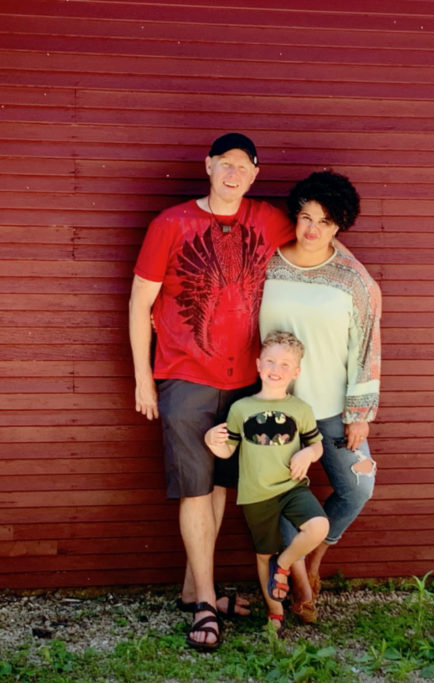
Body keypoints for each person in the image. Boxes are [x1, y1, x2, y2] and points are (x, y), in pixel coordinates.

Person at [128, 133, 296, 651]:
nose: (234, 174)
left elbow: (319, 245)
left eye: (244, 167)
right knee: (195, 488)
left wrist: (360, 280)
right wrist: (144, 378)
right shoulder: (171, 224)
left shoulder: (268, 219)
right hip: (186, 377)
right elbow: (139, 304)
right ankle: (205, 602)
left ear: (254, 174)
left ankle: (190, 589)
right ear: (208, 166)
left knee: (222, 486)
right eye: (226, 164)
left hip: (246, 382)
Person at [259, 170, 381, 624]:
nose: (312, 230)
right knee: (285, 494)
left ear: (339, 227)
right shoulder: (267, 262)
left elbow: (365, 347)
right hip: (276, 409)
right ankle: (300, 585)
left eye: (326, 222)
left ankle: (315, 556)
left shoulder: (353, 280)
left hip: (331, 412)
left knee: (358, 486)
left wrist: (360, 414)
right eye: (306, 217)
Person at [205, 331, 329, 635]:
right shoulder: (241, 408)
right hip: (256, 495)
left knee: (319, 527)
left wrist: (308, 454)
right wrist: (210, 440)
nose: (277, 368)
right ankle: (275, 613)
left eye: (286, 364)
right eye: (271, 361)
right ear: (259, 364)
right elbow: (228, 449)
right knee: (263, 555)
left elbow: (318, 445)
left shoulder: (301, 409)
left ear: (296, 372)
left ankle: (284, 564)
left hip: (291, 487)